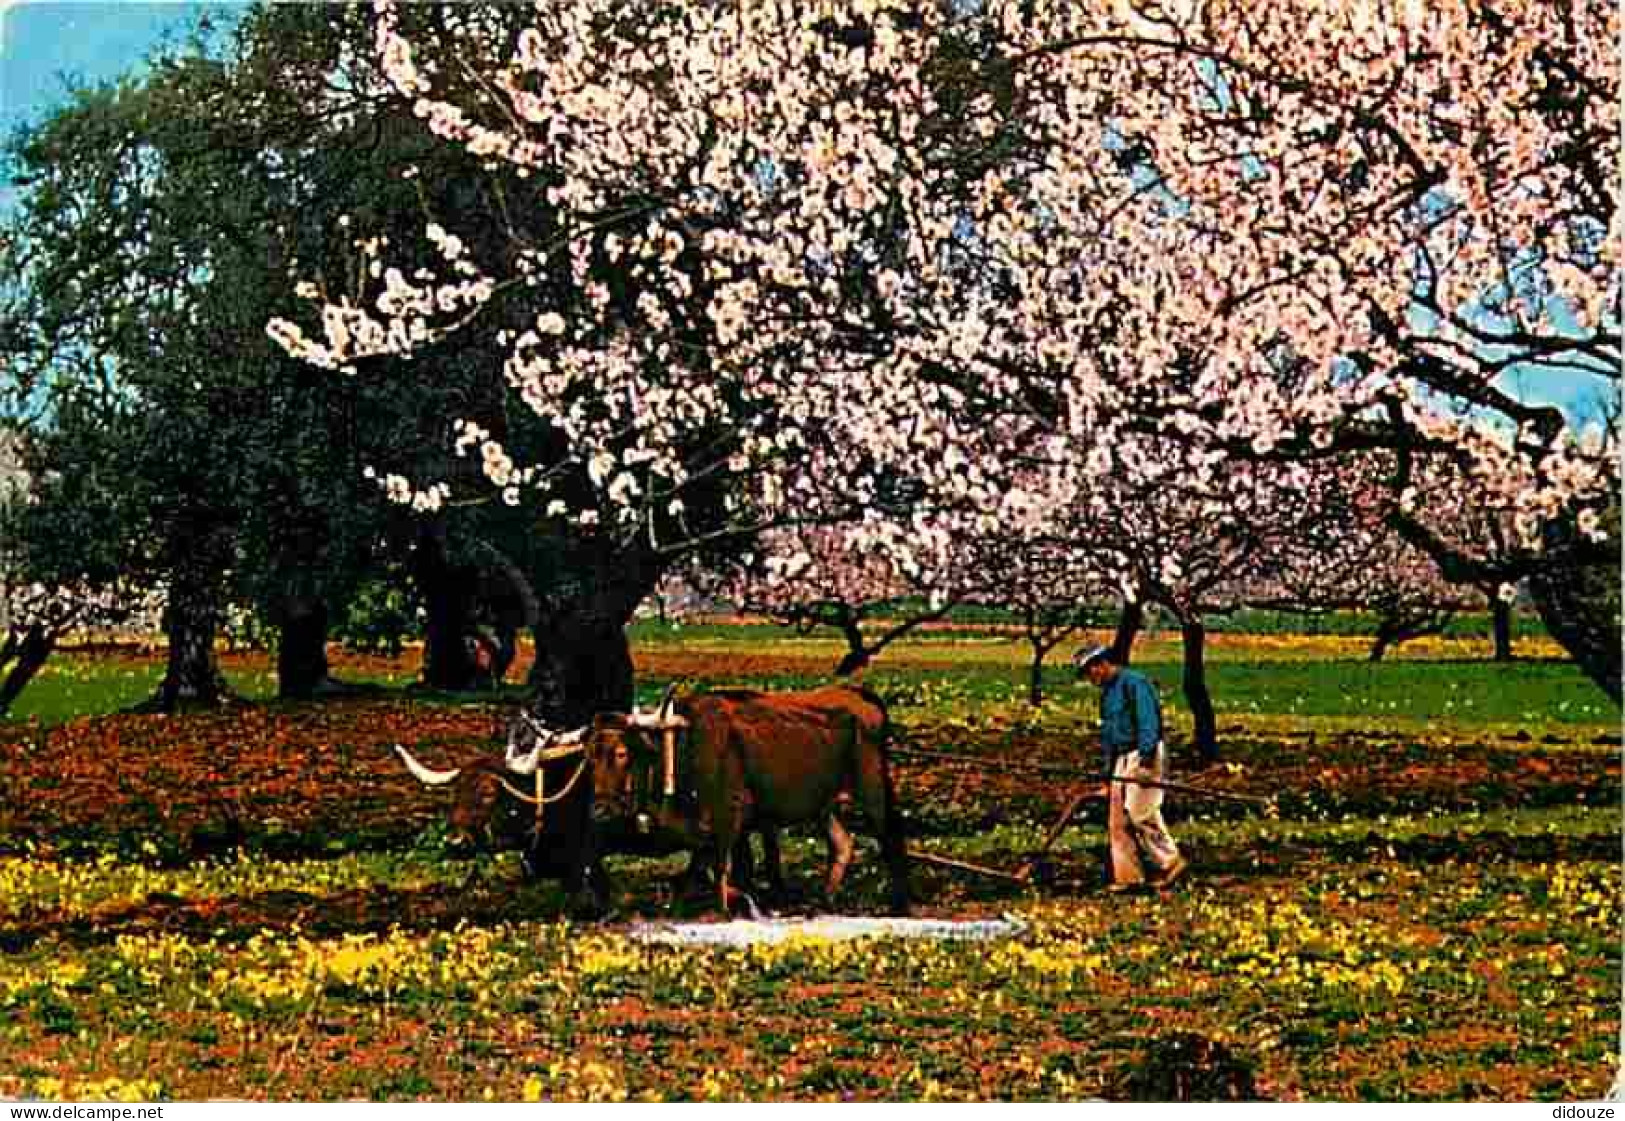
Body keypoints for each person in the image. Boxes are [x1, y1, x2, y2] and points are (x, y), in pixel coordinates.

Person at [1073, 644, 1187, 891]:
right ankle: (1128, 877)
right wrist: (1108, 777)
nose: (1090, 679)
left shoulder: (1134, 683)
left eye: (1091, 672)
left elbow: (1148, 722)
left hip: (1144, 751)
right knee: (1117, 820)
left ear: (1102, 664)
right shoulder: (1106, 694)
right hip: (1122, 757)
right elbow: (1109, 736)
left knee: (1140, 812)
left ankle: (1170, 862)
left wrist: (1146, 763)